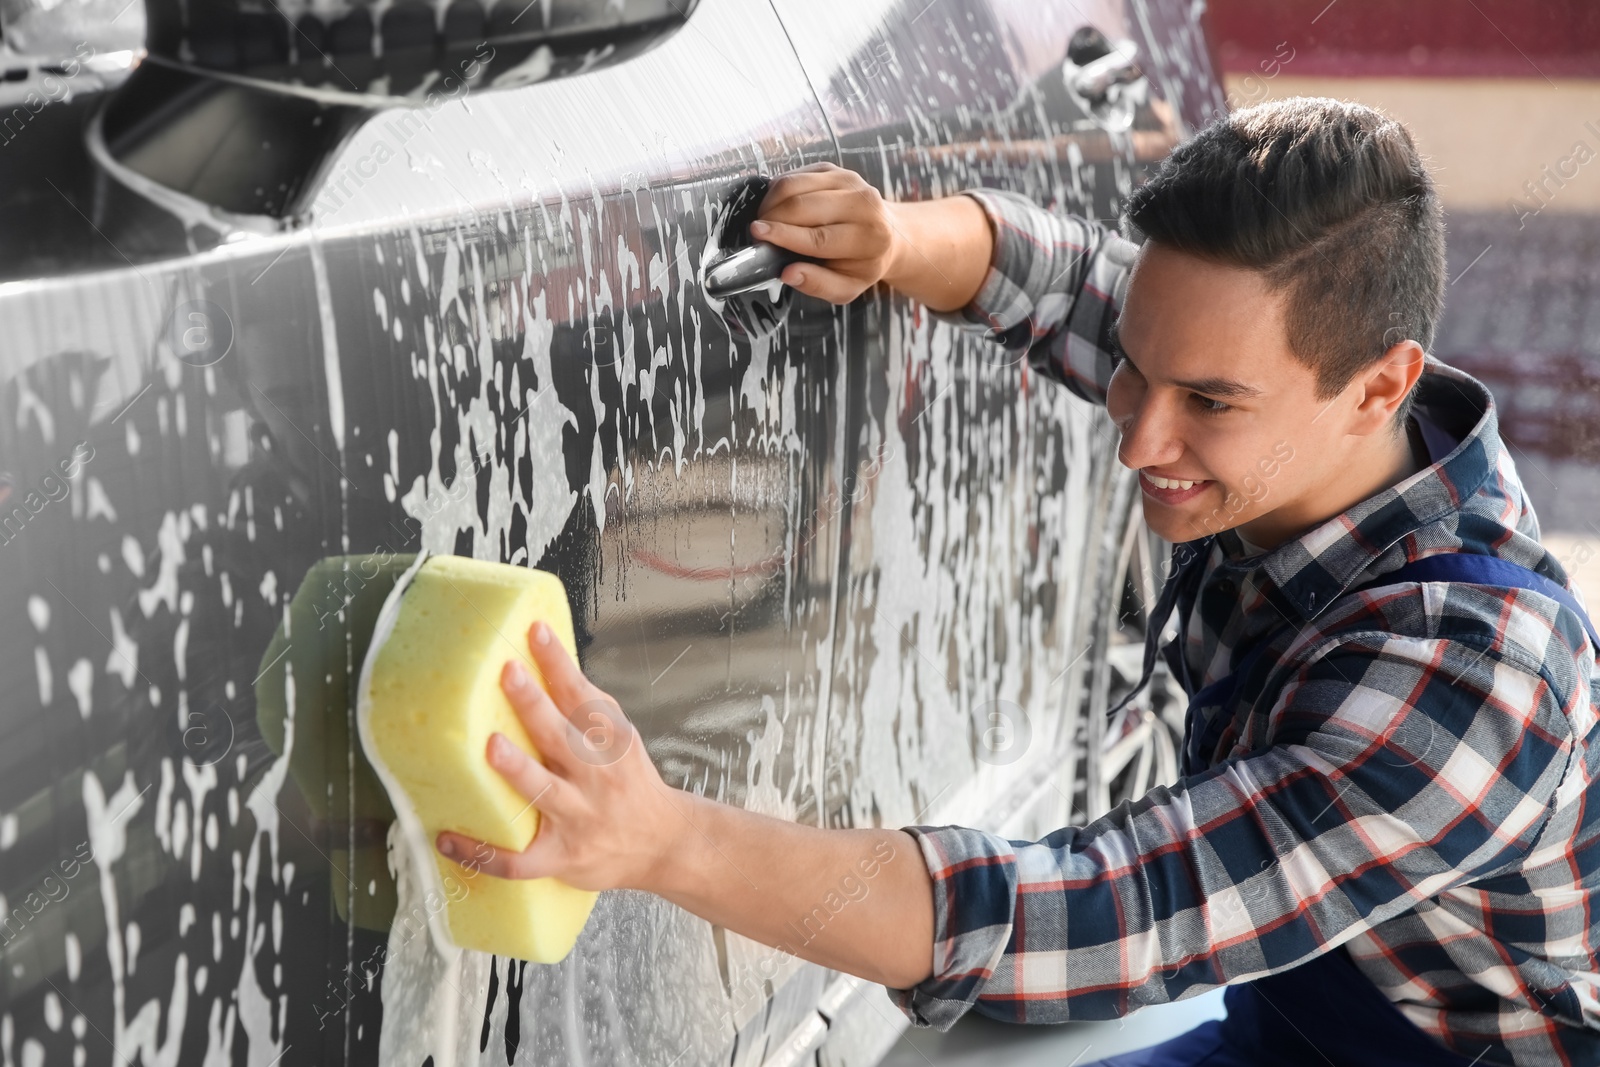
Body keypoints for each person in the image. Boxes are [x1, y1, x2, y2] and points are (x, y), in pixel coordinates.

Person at [433, 98, 1600, 1066]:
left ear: (1376, 386)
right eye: (1135, 373)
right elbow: (1064, 281)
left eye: (1205, 402)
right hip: (1293, 1027)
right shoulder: (1303, 408)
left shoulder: (1470, 678)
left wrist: (661, 840)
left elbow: (1106, 912)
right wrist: (893, 237)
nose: (1140, 439)